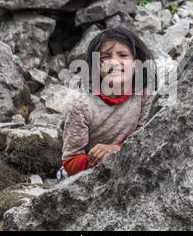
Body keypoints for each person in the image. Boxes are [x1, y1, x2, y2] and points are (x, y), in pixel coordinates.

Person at [56, 27, 156, 182]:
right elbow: (70, 160)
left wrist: (116, 149)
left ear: (136, 65)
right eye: (105, 57)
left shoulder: (144, 95)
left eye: (123, 55)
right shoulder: (81, 106)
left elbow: (144, 136)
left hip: (126, 159)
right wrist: (98, 159)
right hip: (84, 173)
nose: (114, 62)